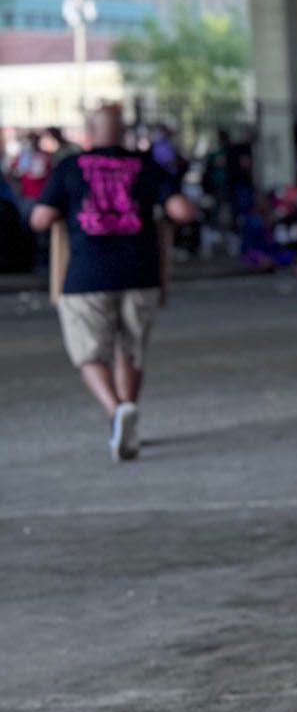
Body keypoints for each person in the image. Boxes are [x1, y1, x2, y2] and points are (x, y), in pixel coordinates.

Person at [30, 102, 196, 459]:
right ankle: (128, 417)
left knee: (89, 354)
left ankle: (116, 411)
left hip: (85, 275)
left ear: (89, 130)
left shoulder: (69, 167)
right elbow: (182, 211)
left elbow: (40, 220)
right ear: (123, 130)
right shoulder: (147, 165)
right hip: (141, 272)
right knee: (131, 350)